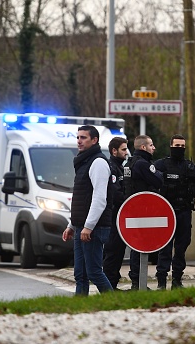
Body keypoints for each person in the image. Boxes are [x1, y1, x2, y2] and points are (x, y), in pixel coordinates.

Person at [62, 125, 114, 295]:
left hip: (94, 228)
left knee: (94, 272)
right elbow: (82, 199)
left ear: (94, 140)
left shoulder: (98, 162)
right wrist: (72, 225)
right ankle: (80, 307)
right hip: (81, 226)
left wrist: (89, 226)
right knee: (80, 274)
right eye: (78, 137)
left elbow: (99, 199)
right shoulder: (83, 162)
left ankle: (114, 303)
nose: (79, 141)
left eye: (83, 138)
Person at [154, 134, 195, 290]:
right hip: (167, 212)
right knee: (165, 248)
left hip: (184, 212)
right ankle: (161, 282)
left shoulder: (189, 166)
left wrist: (194, 174)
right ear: (171, 146)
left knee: (181, 247)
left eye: (182, 146)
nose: (180, 149)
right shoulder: (161, 165)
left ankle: (177, 280)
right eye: (177, 146)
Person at [123, 134, 164, 290]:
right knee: (141, 246)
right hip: (143, 210)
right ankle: (138, 283)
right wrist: (159, 174)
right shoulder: (142, 164)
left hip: (131, 209)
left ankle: (136, 282)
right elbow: (158, 181)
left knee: (136, 246)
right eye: (151, 145)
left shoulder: (129, 163)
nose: (154, 148)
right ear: (143, 147)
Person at [102, 137, 130, 290]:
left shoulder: (120, 167)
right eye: (123, 149)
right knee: (113, 252)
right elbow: (115, 194)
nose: (126, 152)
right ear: (114, 151)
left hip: (120, 217)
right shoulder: (112, 168)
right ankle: (109, 287)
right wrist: (129, 200)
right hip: (113, 217)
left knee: (118, 251)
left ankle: (112, 284)